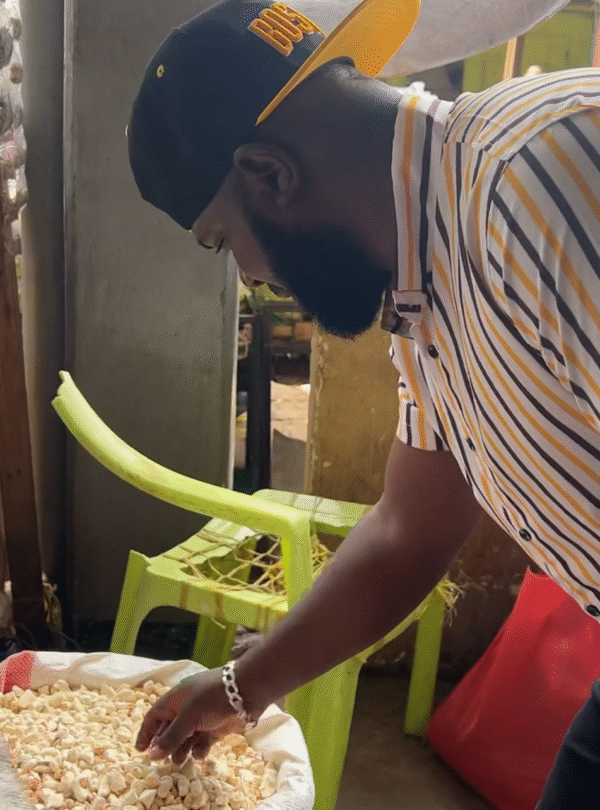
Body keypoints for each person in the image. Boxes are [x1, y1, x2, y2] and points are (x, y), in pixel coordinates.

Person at [127, 1, 600, 806]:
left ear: (271, 174)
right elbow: (410, 528)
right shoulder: (424, 290)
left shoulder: (539, 182)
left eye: (223, 241)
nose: (251, 278)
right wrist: (242, 689)